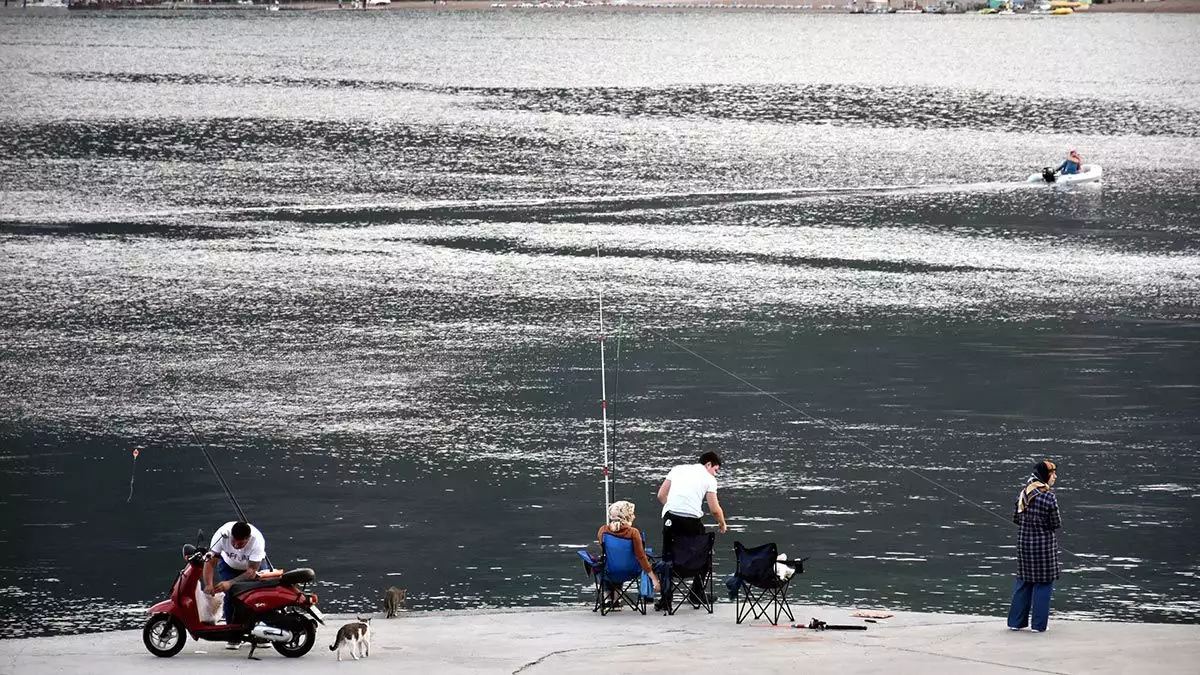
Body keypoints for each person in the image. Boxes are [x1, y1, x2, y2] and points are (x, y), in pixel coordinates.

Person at [655, 451, 728, 609]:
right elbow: (714, 509)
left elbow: (661, 495)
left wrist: (673, 507)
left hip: (670, 519)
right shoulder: (709, 479)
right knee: (705, 553)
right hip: (692, 522)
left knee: (667, 558)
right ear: (708, 464)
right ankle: (697, 593)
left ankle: (666, 599)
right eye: (716, 470)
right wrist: (722, 524)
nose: (715, 474)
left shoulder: (677, 469)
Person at [1007, 460, 1062, 633]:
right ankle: (1038, 625)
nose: (1055, 477)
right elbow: (1055, 523)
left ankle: (1016, 622)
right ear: (1045, 475)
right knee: (1043, 584)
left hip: (1024, 545)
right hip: (1044, 548)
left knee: (1024, 582)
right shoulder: (1049, 497)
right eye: (1053, 474)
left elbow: (1016, 519)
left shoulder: (1023, 494)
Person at [203, 521, 269, 634]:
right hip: (229, 564)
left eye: (240, 544)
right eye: (233, 541)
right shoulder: (222, 534)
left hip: (252, 566)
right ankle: (233, 632)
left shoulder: (257, 540)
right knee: (230, 595)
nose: (235, 545)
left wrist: (231, 582)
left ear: (248, 539)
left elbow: (252, 571)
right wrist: (208, 584)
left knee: (257, 596)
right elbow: (210, 561)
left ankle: (260, 631)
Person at [596, 500, 661, 609]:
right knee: (621, 564)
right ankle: (617, 599)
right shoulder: (633, 532)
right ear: (626, 515)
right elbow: (641, 557)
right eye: (631, 513)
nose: (634, 516)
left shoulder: (603, 530)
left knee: (604, 563)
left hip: (610, 571)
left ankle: (607, 599)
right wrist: (654, 578)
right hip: (630, 571)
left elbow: (605, 551)